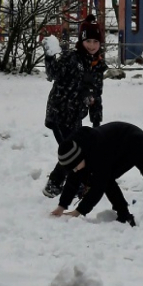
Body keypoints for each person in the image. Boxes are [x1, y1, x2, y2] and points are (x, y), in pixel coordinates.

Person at [41, 14, 107, 198]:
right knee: (71, 152)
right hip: (59, 113)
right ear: (81, 40)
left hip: (76, 116)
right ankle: (60, 185)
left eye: (95, 41)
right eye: (88, 41)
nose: (92, 45)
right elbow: (53, 74)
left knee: (75, 151)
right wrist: (49, 56)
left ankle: (65, 185)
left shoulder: (98, 66)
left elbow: (96, 95)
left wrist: (96, 122)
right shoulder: (71, 58)